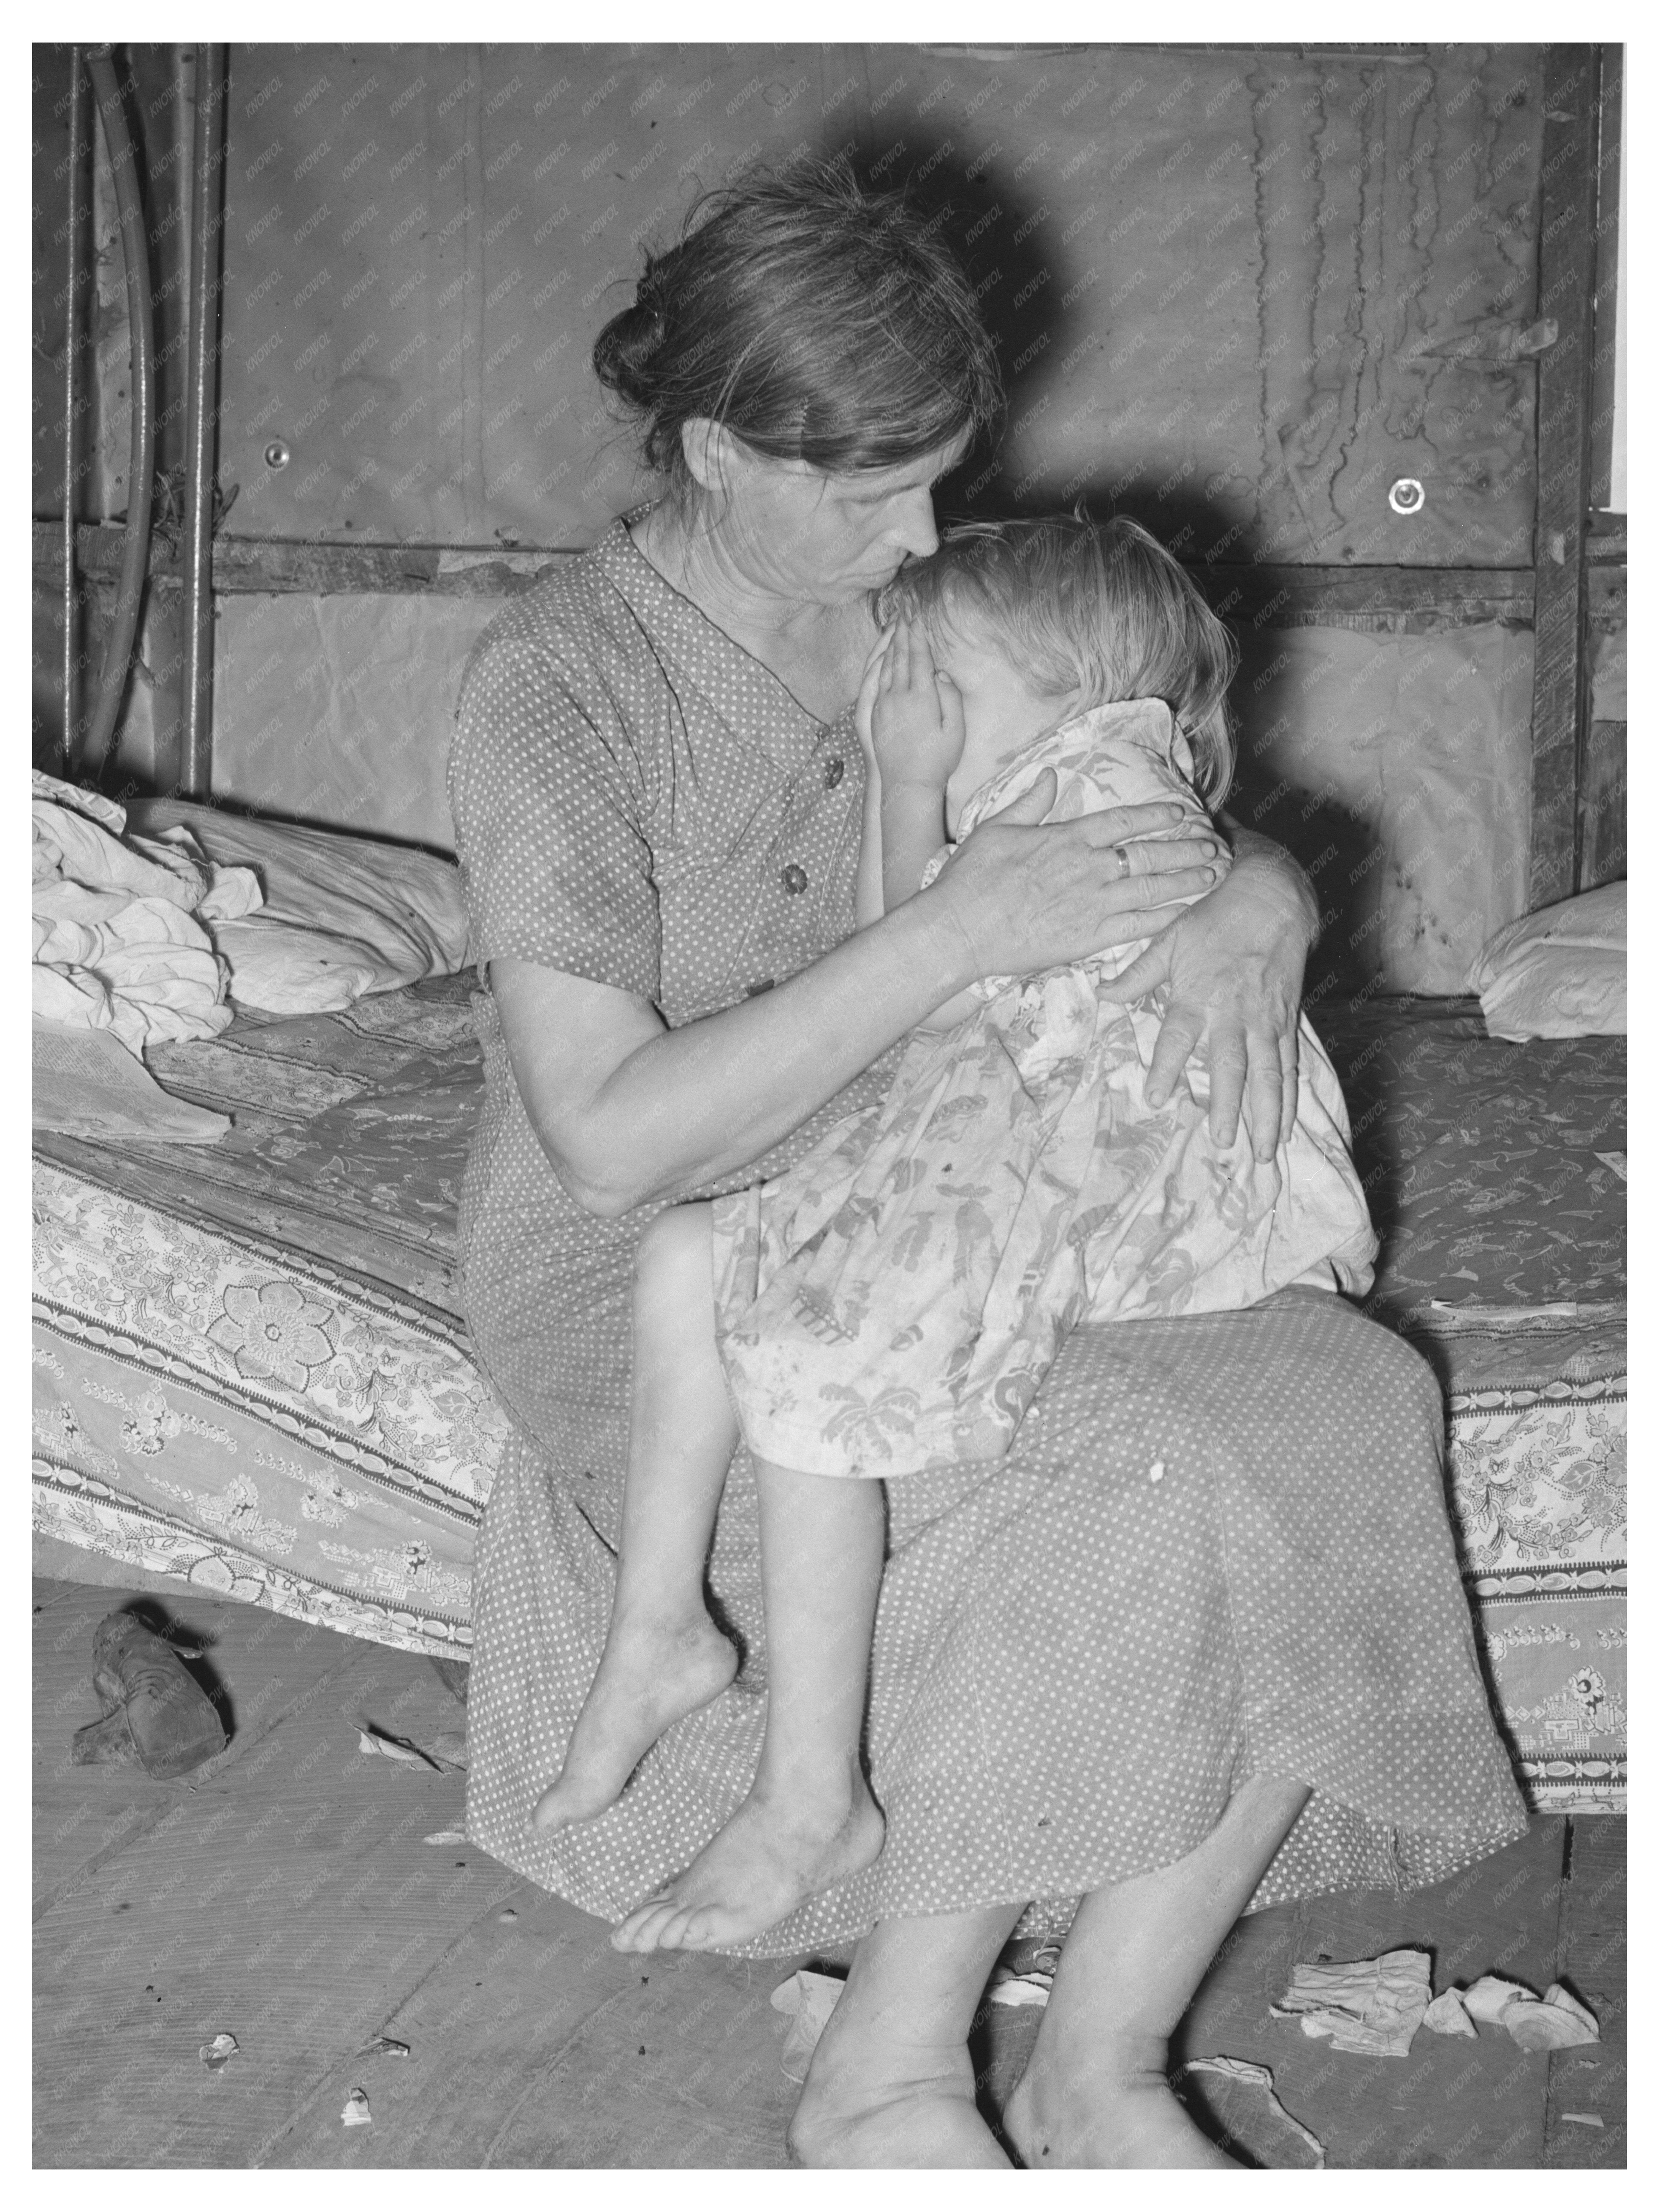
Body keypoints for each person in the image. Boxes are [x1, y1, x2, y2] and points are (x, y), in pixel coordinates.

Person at [449, 157, 1526, 2167]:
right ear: (702, 450)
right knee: (1108, 1466)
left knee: (1334, 1398)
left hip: (987, 1184)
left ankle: (1101, 2067)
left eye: (934, 479)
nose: (915, 534)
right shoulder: (562, 688)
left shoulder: (934, 605)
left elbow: (1147, 778)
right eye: (861, 495)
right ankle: (885, 2073)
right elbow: (605, 1145)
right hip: (669, 1239)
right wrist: (950, 934)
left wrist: (1258, 899)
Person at [533, 515, 1381, 1960]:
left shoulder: (1095, 794)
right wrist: (912, 774)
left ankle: (814, 1796)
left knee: (816, 1359)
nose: (893, 701)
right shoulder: (1045, 774)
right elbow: (910, 950)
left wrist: (1243, 874)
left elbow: (937, 994)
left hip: (1137, 1203)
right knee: (689, 1256)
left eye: (932, 679)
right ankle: (658, 1624)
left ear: (1065, 682)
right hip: (1032, 1153)